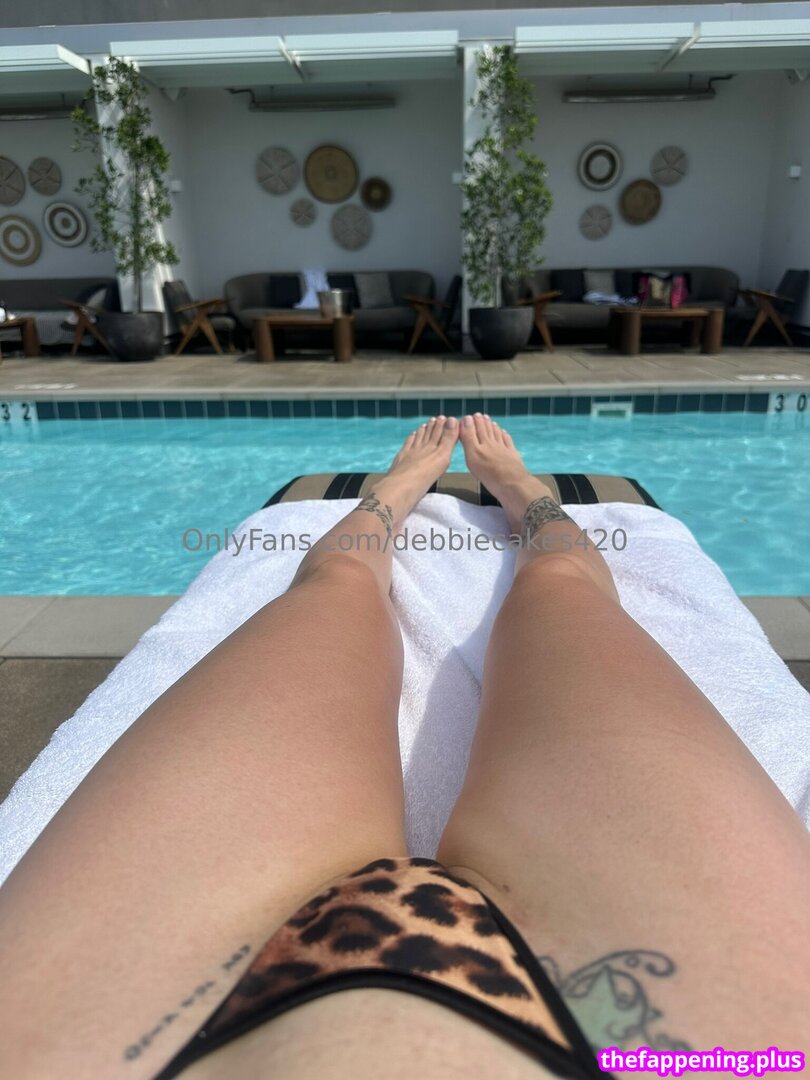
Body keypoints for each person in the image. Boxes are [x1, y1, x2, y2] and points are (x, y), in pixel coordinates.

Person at [1, 414, 808, 1080]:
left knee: (337, 584)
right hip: (688, 1049)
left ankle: (396, 499)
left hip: (130, 1038)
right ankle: (516, 492)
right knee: (560, 584)